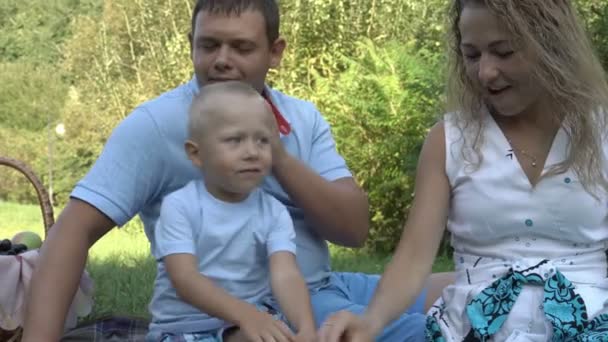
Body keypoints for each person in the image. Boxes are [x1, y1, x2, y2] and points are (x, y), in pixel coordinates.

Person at [22, 1, 452, 341]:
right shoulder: (157, 125)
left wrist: (276, 154)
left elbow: (354, 230)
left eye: (242, 48)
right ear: (190, 43)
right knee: (430, 331)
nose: (221, 61)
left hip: (325, 283)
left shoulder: (302, 118)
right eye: (208, 45)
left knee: (475, 292)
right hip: (260, 306)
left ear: (275, 53)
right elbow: (73, 230)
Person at [319, 0, 608, 341]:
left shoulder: (600, 131)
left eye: (504, 52)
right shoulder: (449, 140)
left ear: (552, 44)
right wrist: (371, 321)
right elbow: (414, 257)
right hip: (472, 329)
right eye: (472, 55)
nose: (485, 72)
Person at [147, 81, 316, 341]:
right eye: (234, 140)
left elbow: (285, 273)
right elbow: (185, 278)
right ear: (196, 154)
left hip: (249, 322)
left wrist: (306, 327)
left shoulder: (273, 211)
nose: (252, 152)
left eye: (262, 141)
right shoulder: (181, 206)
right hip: (185, 326)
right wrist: (245, 315)